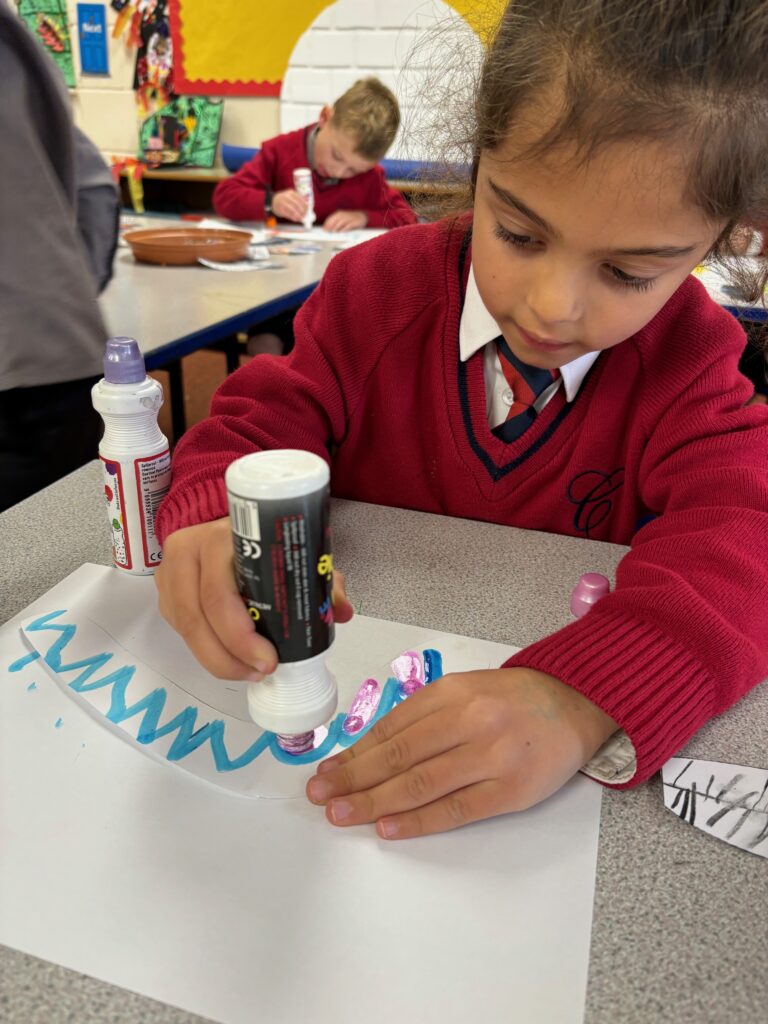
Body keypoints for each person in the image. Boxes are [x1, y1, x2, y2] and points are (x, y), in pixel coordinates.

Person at [155, 0, 768, 841]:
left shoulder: (691, 358)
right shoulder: (374, 295)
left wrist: (587, 692)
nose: (552, 309)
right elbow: (257, 419)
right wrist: (216, 515)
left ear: (715, 243)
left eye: (629, 273)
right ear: (477, 163)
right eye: (517, 232)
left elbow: (748, 531)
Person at [0, 1, 117, 512]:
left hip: (23, 366)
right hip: (57, 344)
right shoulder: (16, 40)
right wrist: (63, 284)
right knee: (65, 536)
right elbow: (94, 186)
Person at [212, 77, 417, 232]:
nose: (338, 171)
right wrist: (271, 202)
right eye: (336, 155)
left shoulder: (370, 176)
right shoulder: (279, 152)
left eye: (353, 170)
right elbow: (225, 196)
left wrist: (364, 217)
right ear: (324, 118)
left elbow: (407, 219)